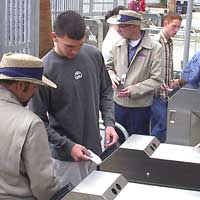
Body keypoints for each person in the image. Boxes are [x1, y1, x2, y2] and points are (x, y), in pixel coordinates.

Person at [29, 10, 118, 187]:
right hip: (65, 160)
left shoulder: (93, 54)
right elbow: (38, 120)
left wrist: (109, 123)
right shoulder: (45, 70)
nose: (75, 51)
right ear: (55, 36)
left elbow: (106, 91)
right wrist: (68, 146)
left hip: (94, 150)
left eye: (79, 45)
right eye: (69, 46)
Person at [0, 53, 59, 200]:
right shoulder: (31, 124)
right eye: (34, 87)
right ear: (20, 85)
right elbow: (43, 186)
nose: (36, 92)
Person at [105, 10, 163, 136]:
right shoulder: (117, 45)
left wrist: (134, 90)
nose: (118, 29)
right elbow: (107, 67)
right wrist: (111, 75)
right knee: (116, 144)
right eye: (118, 26)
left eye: (122, 26)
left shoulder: (155, 48)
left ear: (134, 26)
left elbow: (157, 79)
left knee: (136, 146)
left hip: (140, 108)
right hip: (118, 105)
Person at [150, 12, 182, 143]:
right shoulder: (156, 42)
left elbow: (167, 64)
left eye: (178, 27)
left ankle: (153, 151)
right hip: (156, 92)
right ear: (165, 24)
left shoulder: (169, 42)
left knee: (161, 124)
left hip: (165, 91)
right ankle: (153, 152)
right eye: (174, 26)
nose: (176, 30)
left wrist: (171, 81)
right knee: (162, 124)